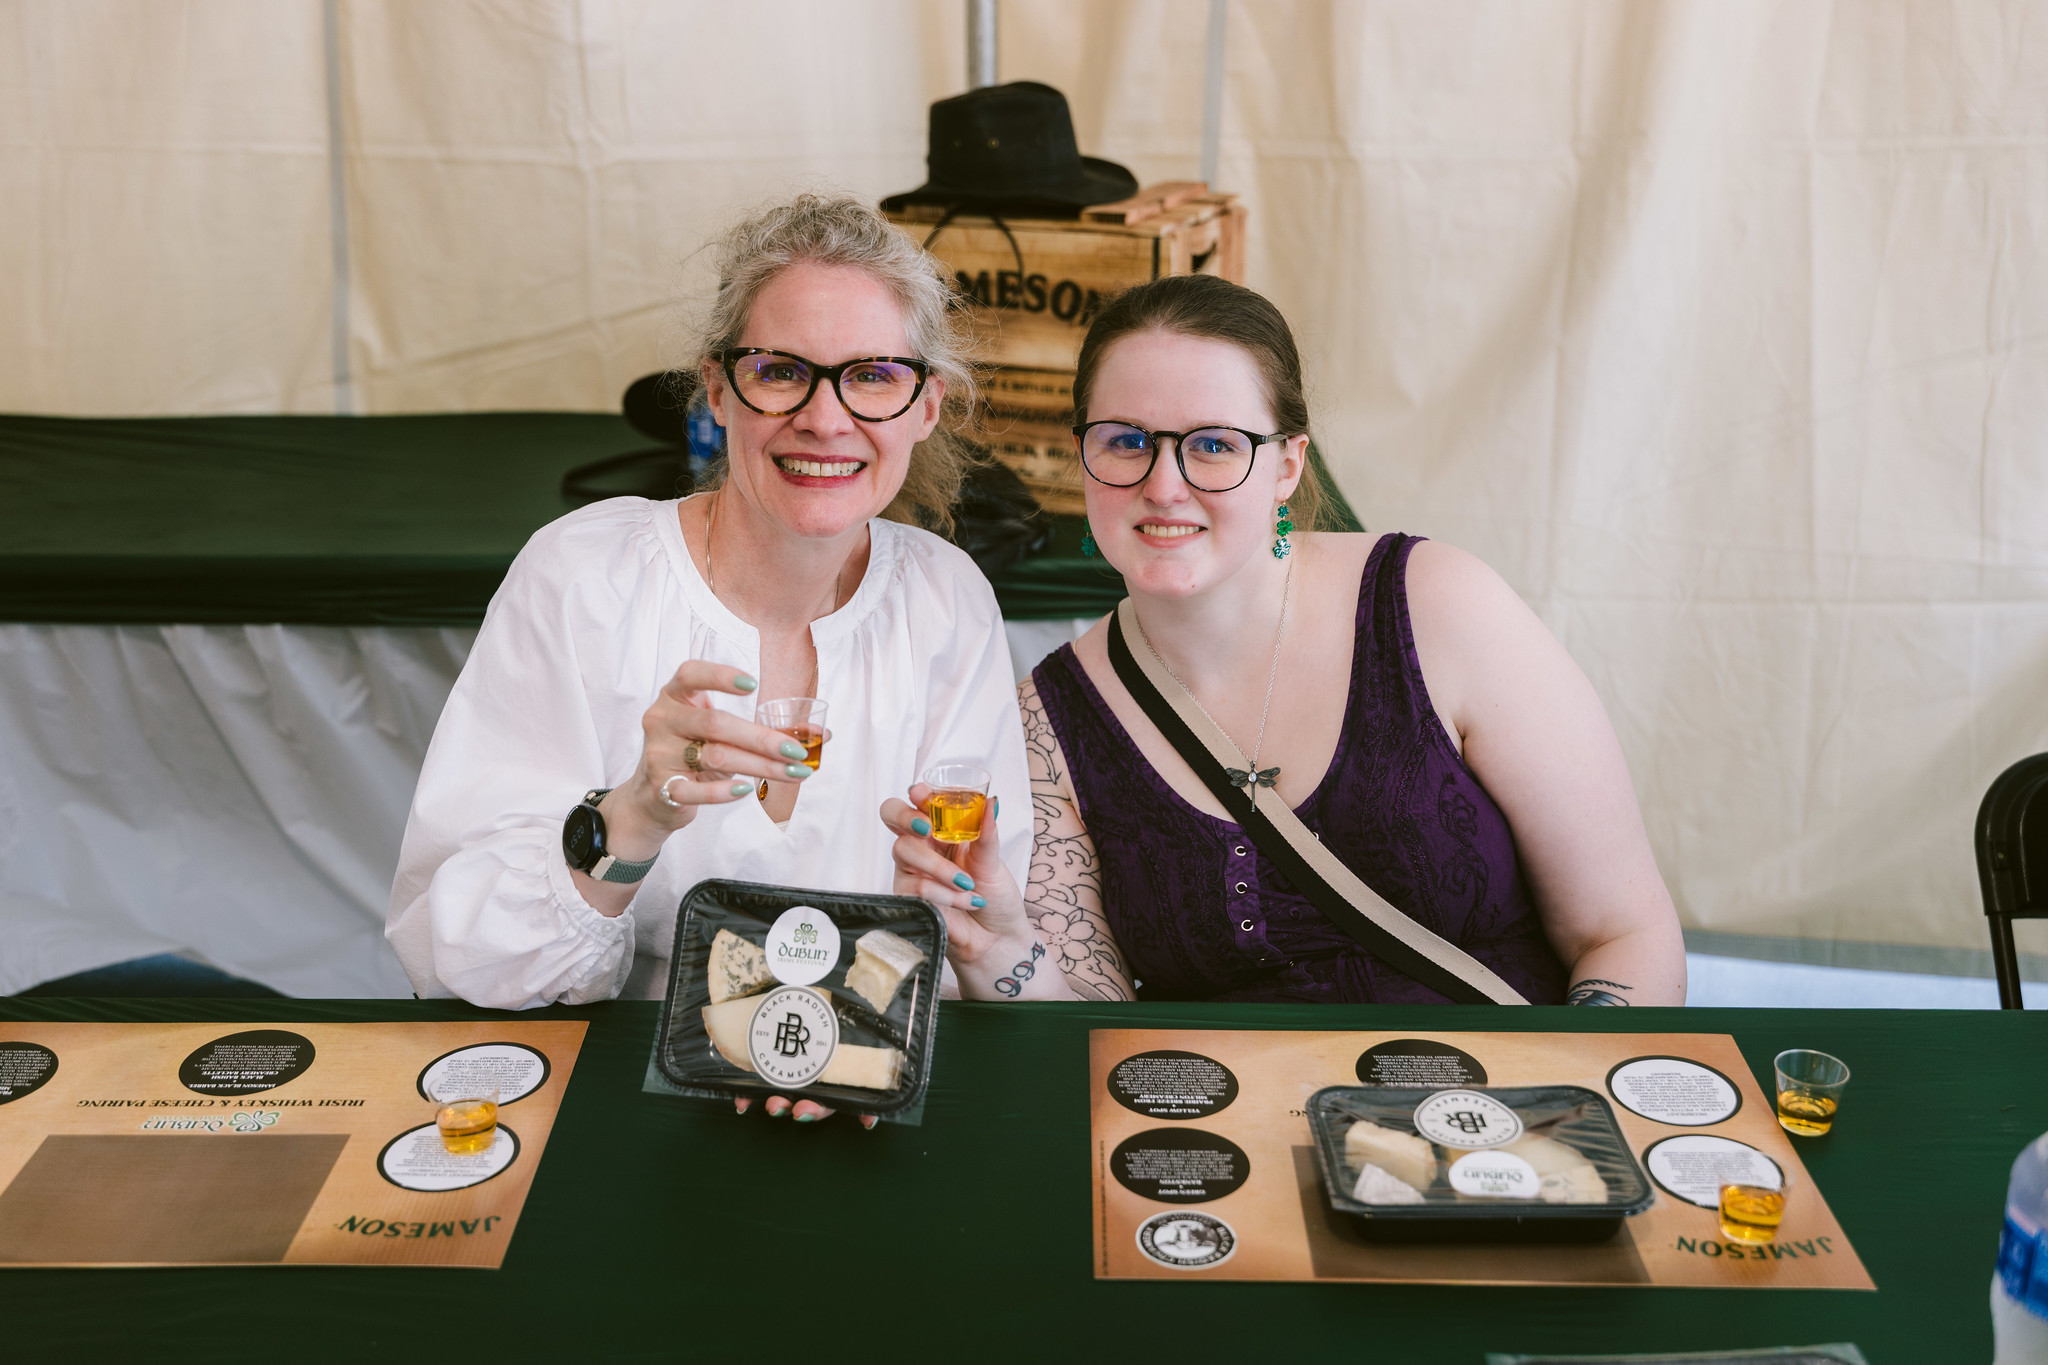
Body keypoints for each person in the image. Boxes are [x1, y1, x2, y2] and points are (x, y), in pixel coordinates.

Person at [883, 273, 1685, 1005]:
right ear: (1083, 458)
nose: (1165, 485)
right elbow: (1095, 1033)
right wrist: (1000, 949)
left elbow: (1624, 932)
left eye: (1214, 445)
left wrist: (1571, 1095)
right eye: (1126, 440)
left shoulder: (1436, 607)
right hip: (1229, 1119)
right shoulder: (1048, 724)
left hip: (1499, 1110)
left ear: (1288, 466)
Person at [388, 195, 1032, 1101]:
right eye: (781, 371)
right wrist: (631, 820)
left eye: (873, 375)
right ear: (719, 390)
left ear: (925, 406)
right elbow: (458, 960)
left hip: (859, 1104)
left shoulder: (945, 599)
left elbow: (977, 932)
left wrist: (853, 1044)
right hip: (610, 1099)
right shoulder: (583, 577)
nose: (826, 418)